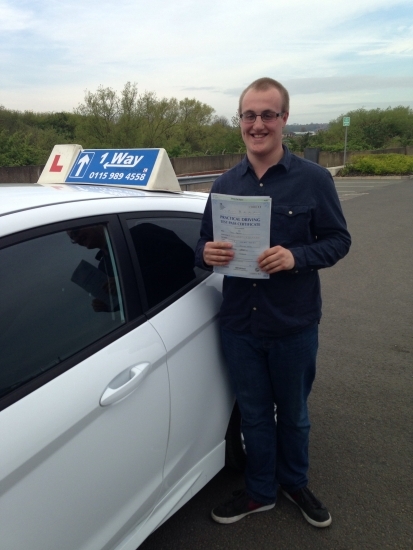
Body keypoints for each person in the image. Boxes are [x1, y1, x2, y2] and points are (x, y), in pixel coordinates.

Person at [195, 77, 351, 528]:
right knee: (255, 416)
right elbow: (204, 244)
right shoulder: (225, 184)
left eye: (267, 114)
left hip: (293, 324)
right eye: (249, 115)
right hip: (241, 325)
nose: (257, 124)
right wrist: (206, 252)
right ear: (239, 121)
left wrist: (296, 256)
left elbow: (339, 240)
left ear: (283, 119)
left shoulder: (314, 180)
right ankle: (261, 490)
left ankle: (294, 481)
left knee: (295, 416)